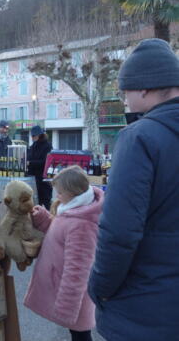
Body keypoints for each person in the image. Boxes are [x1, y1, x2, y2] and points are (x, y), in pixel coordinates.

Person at [88, 38, 179, 341]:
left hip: (145, 309)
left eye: (124, 89)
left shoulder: (140, 137)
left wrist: (98, 288)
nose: (123, 98)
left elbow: (120, 233)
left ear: (144, 87)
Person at [24, 166, 104, 341]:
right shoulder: (75, 209)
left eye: (60, 192)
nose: (56, 196)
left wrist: (67, 307)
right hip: (64, 288)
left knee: (80, 335)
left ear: (73, 193)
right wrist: (43, 218)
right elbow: (60, 233)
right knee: (77, 333)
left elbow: (77, 270)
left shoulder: (82, 224)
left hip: (72, 297)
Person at [27, 125, 52, 209]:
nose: (32, 137)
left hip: (43, 179)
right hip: (34, 178)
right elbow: (30, 156)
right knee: (36, 202)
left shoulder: (47, 146)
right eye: (32, 136)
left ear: (40, 135)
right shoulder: (33, 145)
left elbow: (45, 162)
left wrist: (29, 163)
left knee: (46, 201)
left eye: (34, 135)